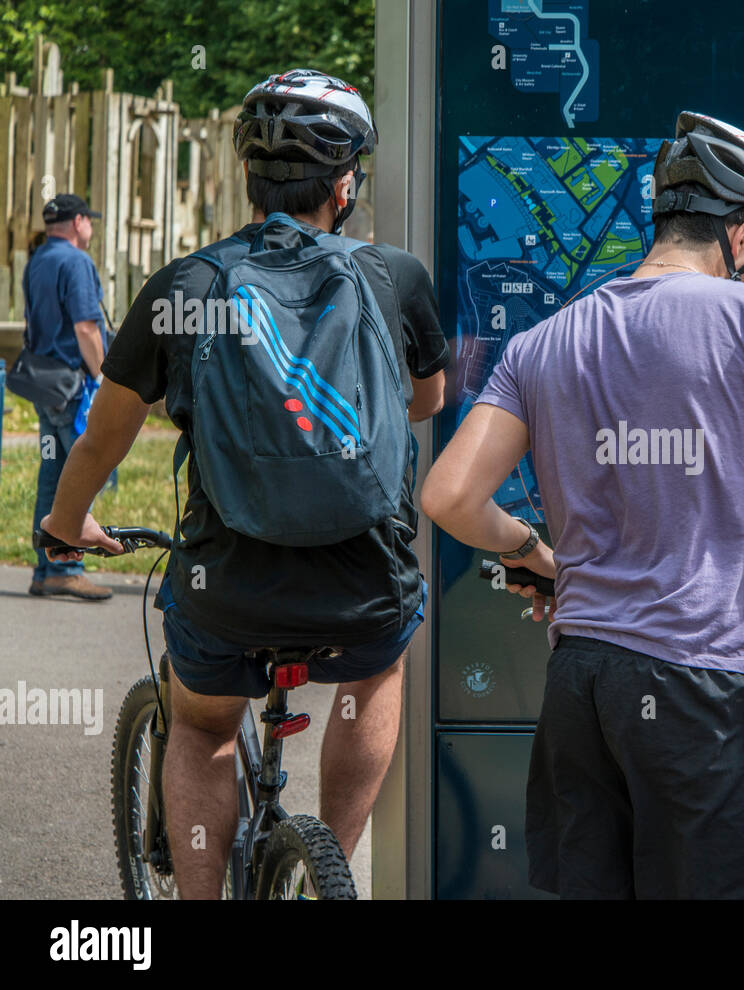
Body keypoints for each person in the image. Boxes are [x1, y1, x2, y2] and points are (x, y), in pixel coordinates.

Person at [40, 69, 449, 898]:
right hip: (362, 578)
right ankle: (323, 868)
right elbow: (427, 399)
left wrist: (65, 522)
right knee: (375, 673)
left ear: (251, 181)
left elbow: (102, 439)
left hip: (228, 581)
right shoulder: (393, 276)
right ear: (345, 183)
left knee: (200, 724)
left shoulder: (186, 287)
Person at [422, 111, 744, 899]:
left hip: (582, 683)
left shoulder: (544, 340)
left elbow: (448, 496)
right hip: (705, 681)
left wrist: (532, 555)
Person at [25, 193, 111, 600]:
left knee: (51, 473)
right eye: (89, 220)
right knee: (82, 476)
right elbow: (86, 328)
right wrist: (105, 379)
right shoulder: (76, 262)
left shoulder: (37, 260)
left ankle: (45, 569)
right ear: (78, 222)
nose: (91, 227)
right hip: (73, 389)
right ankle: (69, 566)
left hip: (44, 387)